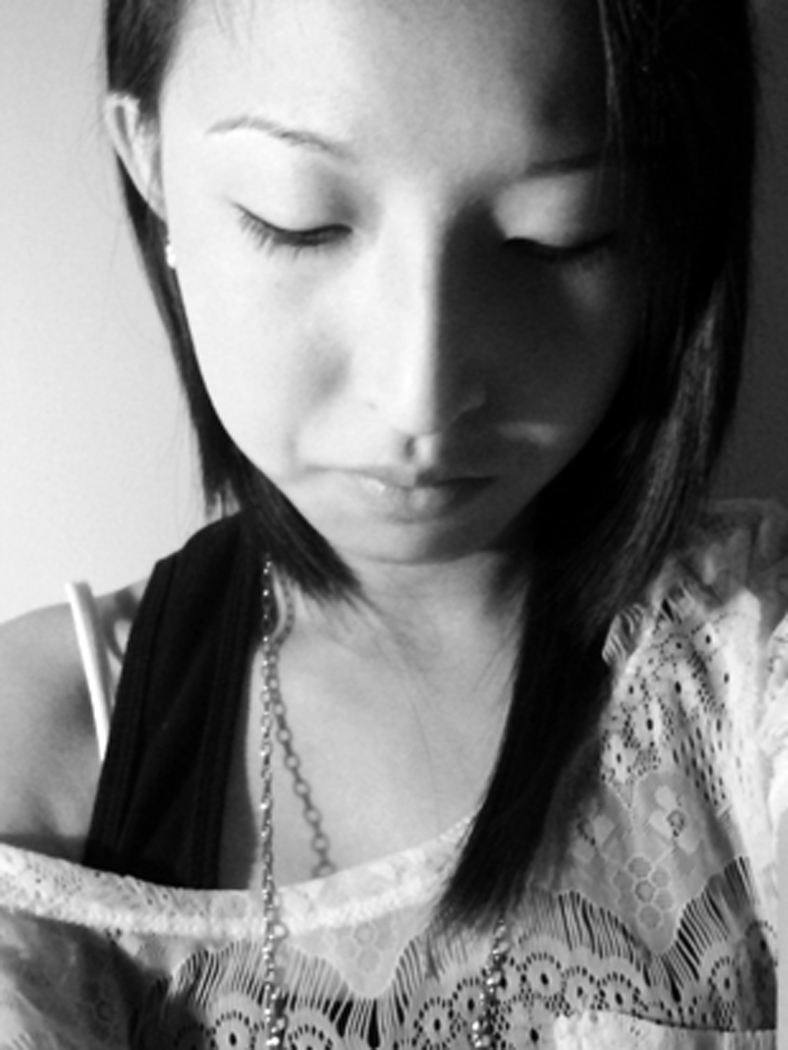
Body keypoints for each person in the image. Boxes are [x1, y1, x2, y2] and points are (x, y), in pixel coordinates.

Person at [0, 0, 779, 1045]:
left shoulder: (744, 669)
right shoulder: (45, 757)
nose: (421, 396)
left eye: (559, 235)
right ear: (150, 166)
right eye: (299, 222)